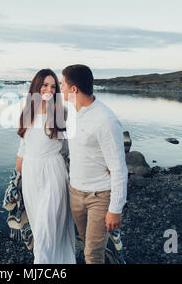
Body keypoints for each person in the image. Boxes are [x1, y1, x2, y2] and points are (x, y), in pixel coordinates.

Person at [60, 64, 128, 264]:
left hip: (99, 196)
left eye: (63, 84)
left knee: (92, 253)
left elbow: (118, 167)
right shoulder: (72, 112)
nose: (60, 89)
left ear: (74, 89)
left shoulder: (105, 120)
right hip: (75, 192)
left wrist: (116, 208)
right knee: (85, 242)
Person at [14, 68, 76, 264]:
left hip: (53, 172)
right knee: (39, 227)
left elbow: (73, 146)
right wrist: (16, 176)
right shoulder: (27, 112)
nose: (49, 89)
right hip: (30, 175)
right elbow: (24, 146)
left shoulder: (62, 113)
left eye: (53, 86)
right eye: (45, 85)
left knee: (46, 227)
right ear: (36, 86)